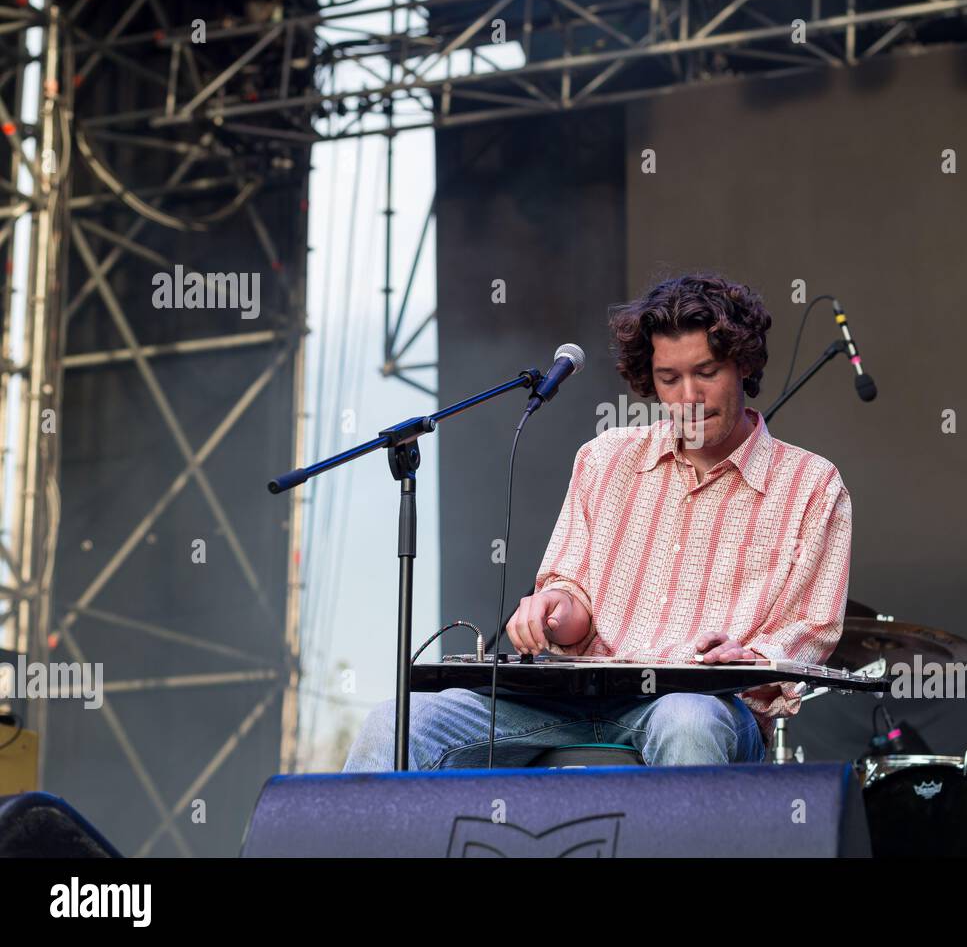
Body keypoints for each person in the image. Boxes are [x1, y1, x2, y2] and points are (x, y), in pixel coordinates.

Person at [344, 273, 852, 770]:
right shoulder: (604, 458)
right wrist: (551, 609)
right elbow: (574, 603)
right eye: (669, 379)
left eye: (706, 372)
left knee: (688, 721)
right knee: (396, 723)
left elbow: (809, 631)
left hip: (702, 706)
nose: (688, 396)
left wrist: (752, 660)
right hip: (564, 700)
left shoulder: (811, 485)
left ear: (742, 365)